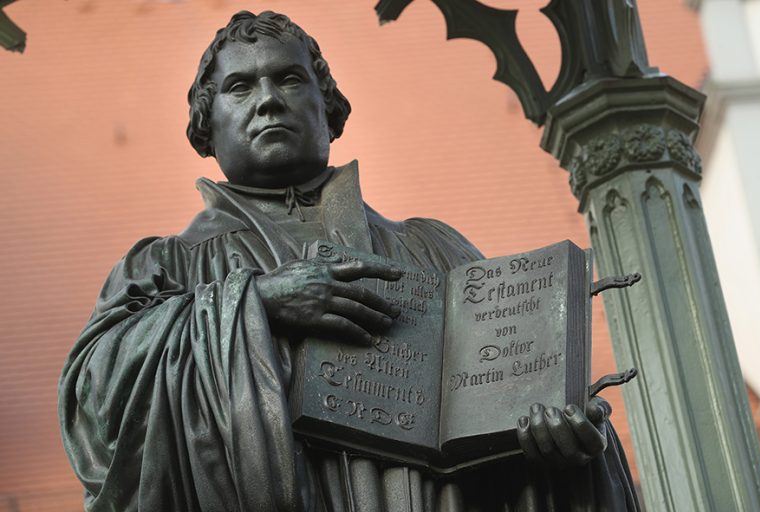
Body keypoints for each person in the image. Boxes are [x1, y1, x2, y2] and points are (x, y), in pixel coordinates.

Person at [59, 10, 639, 511]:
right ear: (206, 125)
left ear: (328, 107)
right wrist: (256, 303)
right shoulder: (167, 269)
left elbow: (510, 417)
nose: (267, 98)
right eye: (239, 86)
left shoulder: (434, 250)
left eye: (289, 78)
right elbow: (97, 410)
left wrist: (567, 449)